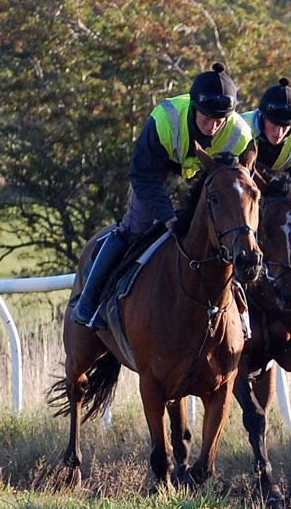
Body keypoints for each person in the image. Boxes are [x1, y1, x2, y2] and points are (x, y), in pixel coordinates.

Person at [71, 62, 255, 328]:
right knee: (134, 227)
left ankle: (243, 315)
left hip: (209, 178)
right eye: (207, 117)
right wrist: (168, 217)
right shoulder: (164, 119)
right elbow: (143, 177)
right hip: (158, 171)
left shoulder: (241, 136)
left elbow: (243, 188)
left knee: (233, 235)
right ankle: (89, 302)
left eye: (221, 120)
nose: (213, 126)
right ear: (194, 107)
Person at [242, 77, 291, 310]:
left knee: (289, 224)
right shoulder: (240, 130)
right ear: (261, 117)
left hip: (275, 196)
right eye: (273, 124)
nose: (279, 132)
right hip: (237, 193)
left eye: (285, 126)